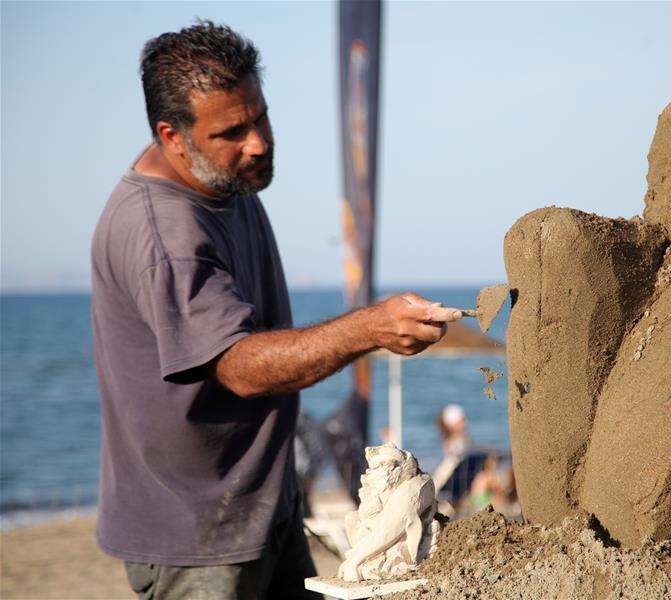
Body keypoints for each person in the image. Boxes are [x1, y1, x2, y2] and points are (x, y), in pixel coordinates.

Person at [90, 21, 461, 599]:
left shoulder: (227, 179)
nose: (258, 141)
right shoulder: (164, 235)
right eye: (232, 131)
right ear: (173, 136)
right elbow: (237, 365)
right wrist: (369, 328)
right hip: (197, 538)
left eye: (259, 116)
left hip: (267, 503)